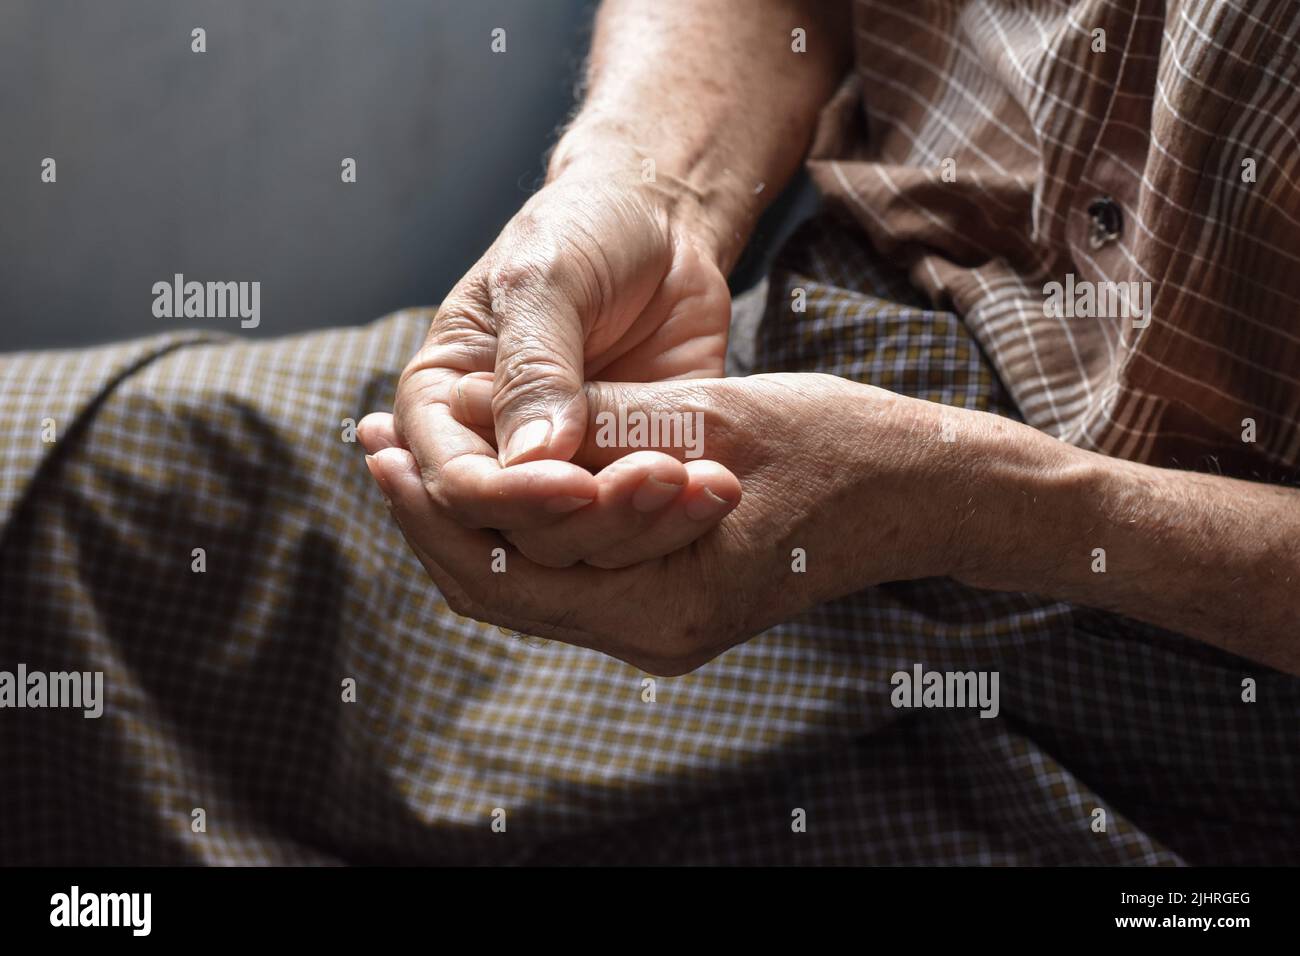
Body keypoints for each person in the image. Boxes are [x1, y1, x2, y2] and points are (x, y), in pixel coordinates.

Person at [2, 0, 1297, 865]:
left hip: (1200, 688)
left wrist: (1006, 510)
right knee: (50, 489)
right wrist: (648, 192)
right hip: (813, 380)